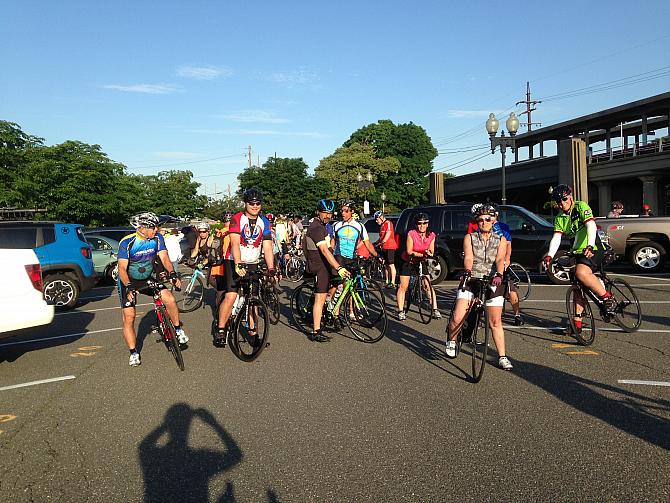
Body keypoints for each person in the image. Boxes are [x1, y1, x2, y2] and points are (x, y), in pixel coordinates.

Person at [542, 184, 615, 337]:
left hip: (593, 247)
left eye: (564, 199)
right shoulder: (560, 218)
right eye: (558, 201)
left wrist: (590, 244)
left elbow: (590, 226)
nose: (562, 203)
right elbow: (556, 238)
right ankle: (577, 325)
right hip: (577, 251)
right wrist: (549, 255)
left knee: (581, 272)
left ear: (571, 197)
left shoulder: (581, 206)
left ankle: (607, 298)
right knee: (577, 288)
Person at [445, 206, 512, 370]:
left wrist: (499, 274)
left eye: (488, 219)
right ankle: (452, 339)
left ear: (493, 220)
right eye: (481, 219)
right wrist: (467, 271)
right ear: (477, 221)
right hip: (472, 278)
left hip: (493, 279)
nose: (484, 222)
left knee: (495, 321)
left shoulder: (500, 239)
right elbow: (468, 257)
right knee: (458, 316)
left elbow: (500, 259)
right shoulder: (470, 237)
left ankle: (502, 357)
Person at [117, 212, 187, 367]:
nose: (156, 229)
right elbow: (121, 268)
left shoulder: (157, 238)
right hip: (129, 280)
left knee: (169, 298)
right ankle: (134, 352)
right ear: (142, 228)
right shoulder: (127, 242)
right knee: (130, 316)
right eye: (153, 227)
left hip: (147, 276)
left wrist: (172, 273)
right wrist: (129, 287)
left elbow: (164, 257)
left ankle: (178, 329)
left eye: (156, 226)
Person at [214, 188, 275, 346]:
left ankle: (254, 334)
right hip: (233, 260)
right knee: (231, 295)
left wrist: (271, 268)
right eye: (251, 203)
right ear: (245, 203)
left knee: (254, 299)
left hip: (253, 261)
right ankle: (220, 329)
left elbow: (267, 247)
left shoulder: (264, 222)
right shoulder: (237, 219)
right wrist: (238, 263)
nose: (255, 206)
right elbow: (234, 243)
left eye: (258, 203)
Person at [303, 199, 351, 342]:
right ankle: (315, 331)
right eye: (325, 213)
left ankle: (330, 314)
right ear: (318, 212)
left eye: (330, 213)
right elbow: (324, 250)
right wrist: (338, 267)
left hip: (325, 265)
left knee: (333, 289)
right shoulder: (316, 227)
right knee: (320, 298)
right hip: (318, 267)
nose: (327, 216)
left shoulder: (323, 226)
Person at [468, 203, 524, 326]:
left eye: (490, 217)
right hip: (487, 264)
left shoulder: (503, 227)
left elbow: (508, 244)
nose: (487, 220)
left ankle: (517, 314)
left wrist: (507, 259)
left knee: (510, 287)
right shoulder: (482, 226)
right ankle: (478, 312)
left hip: (501, 260)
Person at [396, 212, 441, 321]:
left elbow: (431, 250)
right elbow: (409, 250)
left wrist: (430, 254)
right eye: (419, 223)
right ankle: (401, 311)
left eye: (424, 223)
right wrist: (421, 254)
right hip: (408, 260)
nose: (422, 226)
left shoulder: (431, 235)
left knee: (427, 285)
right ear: (416, 224)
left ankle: (434, 309)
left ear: (428, 224)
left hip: (421, 261)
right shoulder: (412, 234)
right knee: (404, 286)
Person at [333, 200, 380, 266]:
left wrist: (377, 255)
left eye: (346, 211)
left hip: (352, 258)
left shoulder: (359, 226)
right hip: (338, 258)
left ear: (352, 211)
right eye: (342, 211)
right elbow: (332, 242)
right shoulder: (337, 225)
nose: (343, 213)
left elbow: (367, 243)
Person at [374, 211, 398, 288]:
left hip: (390, 246)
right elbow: (381, 237)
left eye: (377, 219)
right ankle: (387, 281)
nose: (376, 221)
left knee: (391, 264)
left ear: (381, 217)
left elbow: (388, 233)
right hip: (384, 247)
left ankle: (393, 282)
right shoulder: (382, 226)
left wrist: (383, 241)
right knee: (386, 265)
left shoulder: (388, 223)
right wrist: (376, 243)